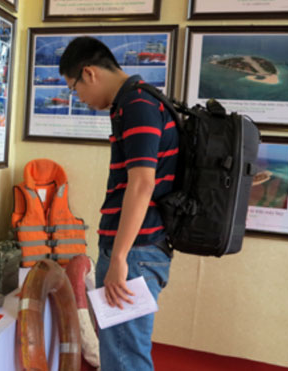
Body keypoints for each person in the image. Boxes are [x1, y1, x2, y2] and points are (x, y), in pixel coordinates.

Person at [59, 36, 178, 371]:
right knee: (119, 354)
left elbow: (142, 184)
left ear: (89, 73)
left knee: (125, 359)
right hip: (138, 248)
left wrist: (120, 258)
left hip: (135, 251)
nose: (79, 98)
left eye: (74, 88)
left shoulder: (138, 105)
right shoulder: (135, 101)